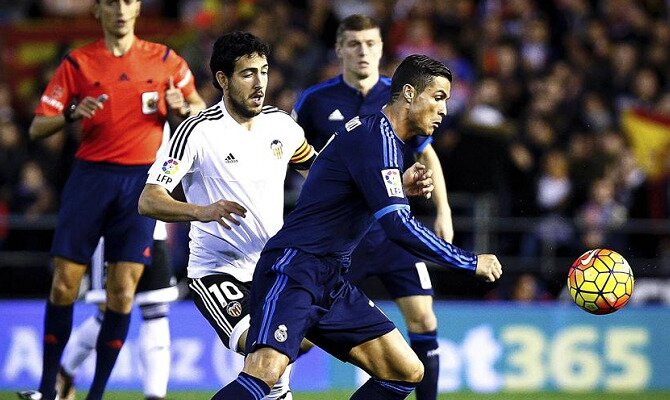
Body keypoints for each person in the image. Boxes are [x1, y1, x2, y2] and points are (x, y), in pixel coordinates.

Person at [215, 55, 502, 400]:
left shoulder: (379, 138)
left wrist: (395, 185)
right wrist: (470, 262)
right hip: (295, 268)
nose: (444, 109)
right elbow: (399, 226)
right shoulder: (375, 138)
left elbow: (342, 185)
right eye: (438, 97)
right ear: (409, 94)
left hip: (330, 278)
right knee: (264, 373)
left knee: (405, 371)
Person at [18, 0, 206, 399]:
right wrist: (71, 113)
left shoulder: (166, 60)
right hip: (90, 179)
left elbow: (200, 111)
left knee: (123, 292)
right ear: (98, 12)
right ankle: (47, 390)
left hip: (141, 184)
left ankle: (96, 393)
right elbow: (37, 126)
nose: (121, 9)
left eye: (128, 1)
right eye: (111, 3)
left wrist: (182, 109)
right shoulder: (79, 63)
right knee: (64, 286)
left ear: (138, 8)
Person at [137, 31, 317, 400]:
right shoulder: (197, 132)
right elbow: (149, 200)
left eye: (264, 71)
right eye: (248, 73)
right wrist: (203, 211)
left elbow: (316, 171)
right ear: (222, 79)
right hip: (218, 270)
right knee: (268, 345)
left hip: (274, 268)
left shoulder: (281, 125)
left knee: (280, 365)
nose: (260, 82)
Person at [292, 14, 452, 400]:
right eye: (354, 44)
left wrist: (443, 211)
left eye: (371, 44)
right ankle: (267, 369)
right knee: (306, 337)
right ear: (340, 49)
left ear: (382, 48)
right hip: (345, 237)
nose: (363, 51)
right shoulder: (314, 102)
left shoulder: (402, 96)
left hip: (393, 230)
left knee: (424, 318)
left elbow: (427, 157)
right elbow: (292, 157)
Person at [55, 124, 180, 400]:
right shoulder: (114, 100)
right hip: (114, 222)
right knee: (108, 313)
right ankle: (63, 372)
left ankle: (155, 396)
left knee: (157, 311)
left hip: (154, 224)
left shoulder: (169, 98)